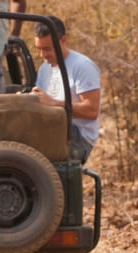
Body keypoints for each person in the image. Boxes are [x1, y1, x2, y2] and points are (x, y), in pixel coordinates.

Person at [32, 16, 100, 162]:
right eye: (39, 49)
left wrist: (54, 103)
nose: (42, 55)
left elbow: (92, 110)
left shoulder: (82, 66)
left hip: (77, 136)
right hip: (53, 127)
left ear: (63, 41)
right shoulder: (44, 69)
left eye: (47, 49)